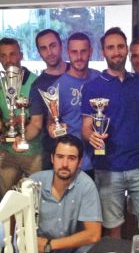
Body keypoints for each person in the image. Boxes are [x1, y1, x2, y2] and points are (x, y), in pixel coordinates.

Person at [81, 27, 139, 244]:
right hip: (107, 167)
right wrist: (91, 136)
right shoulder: (91, 87)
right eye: (111, 47)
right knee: (112, 233)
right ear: (103, 52)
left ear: (126, 49)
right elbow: (86, 126)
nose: (116, 52)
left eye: (120, 46)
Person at [31, 134, 102, 253]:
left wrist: (50, 245)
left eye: (71, 158)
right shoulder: (33, 182)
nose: (64, 164)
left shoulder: (86, 185)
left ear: (80, 162)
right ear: (52, 158)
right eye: (60, 157)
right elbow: (16, 222)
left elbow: (94, 234)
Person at [0, 37, 42, 196]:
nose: (8, 60)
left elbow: (41, 119)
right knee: (8, 206)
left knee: (36, 205)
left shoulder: (36, 82)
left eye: (12, 54)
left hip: (33, 154)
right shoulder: (1, 84)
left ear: (21, 55)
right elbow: (0, 115)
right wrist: (0, 131)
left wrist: (23, 120)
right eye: (3, 55)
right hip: (7, 154)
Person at [48, 32, 99, 176]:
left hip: (103, 159)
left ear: (91, 52)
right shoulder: (57, 88)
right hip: (74, 162)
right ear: (67, 53)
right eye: (74, 52)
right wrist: (53, 129)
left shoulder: (100, 78)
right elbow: (51, 121)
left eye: (83, 51)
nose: (79, 56)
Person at [27, 29, 70, 169]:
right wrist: (21, 138)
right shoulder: (37, 85)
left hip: (84, 152)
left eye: (53, 46)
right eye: (44, 48)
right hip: (53, 153)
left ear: (61, 46)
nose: (49, 52)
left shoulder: (78, 73)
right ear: (39, 53)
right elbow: (36, 123)